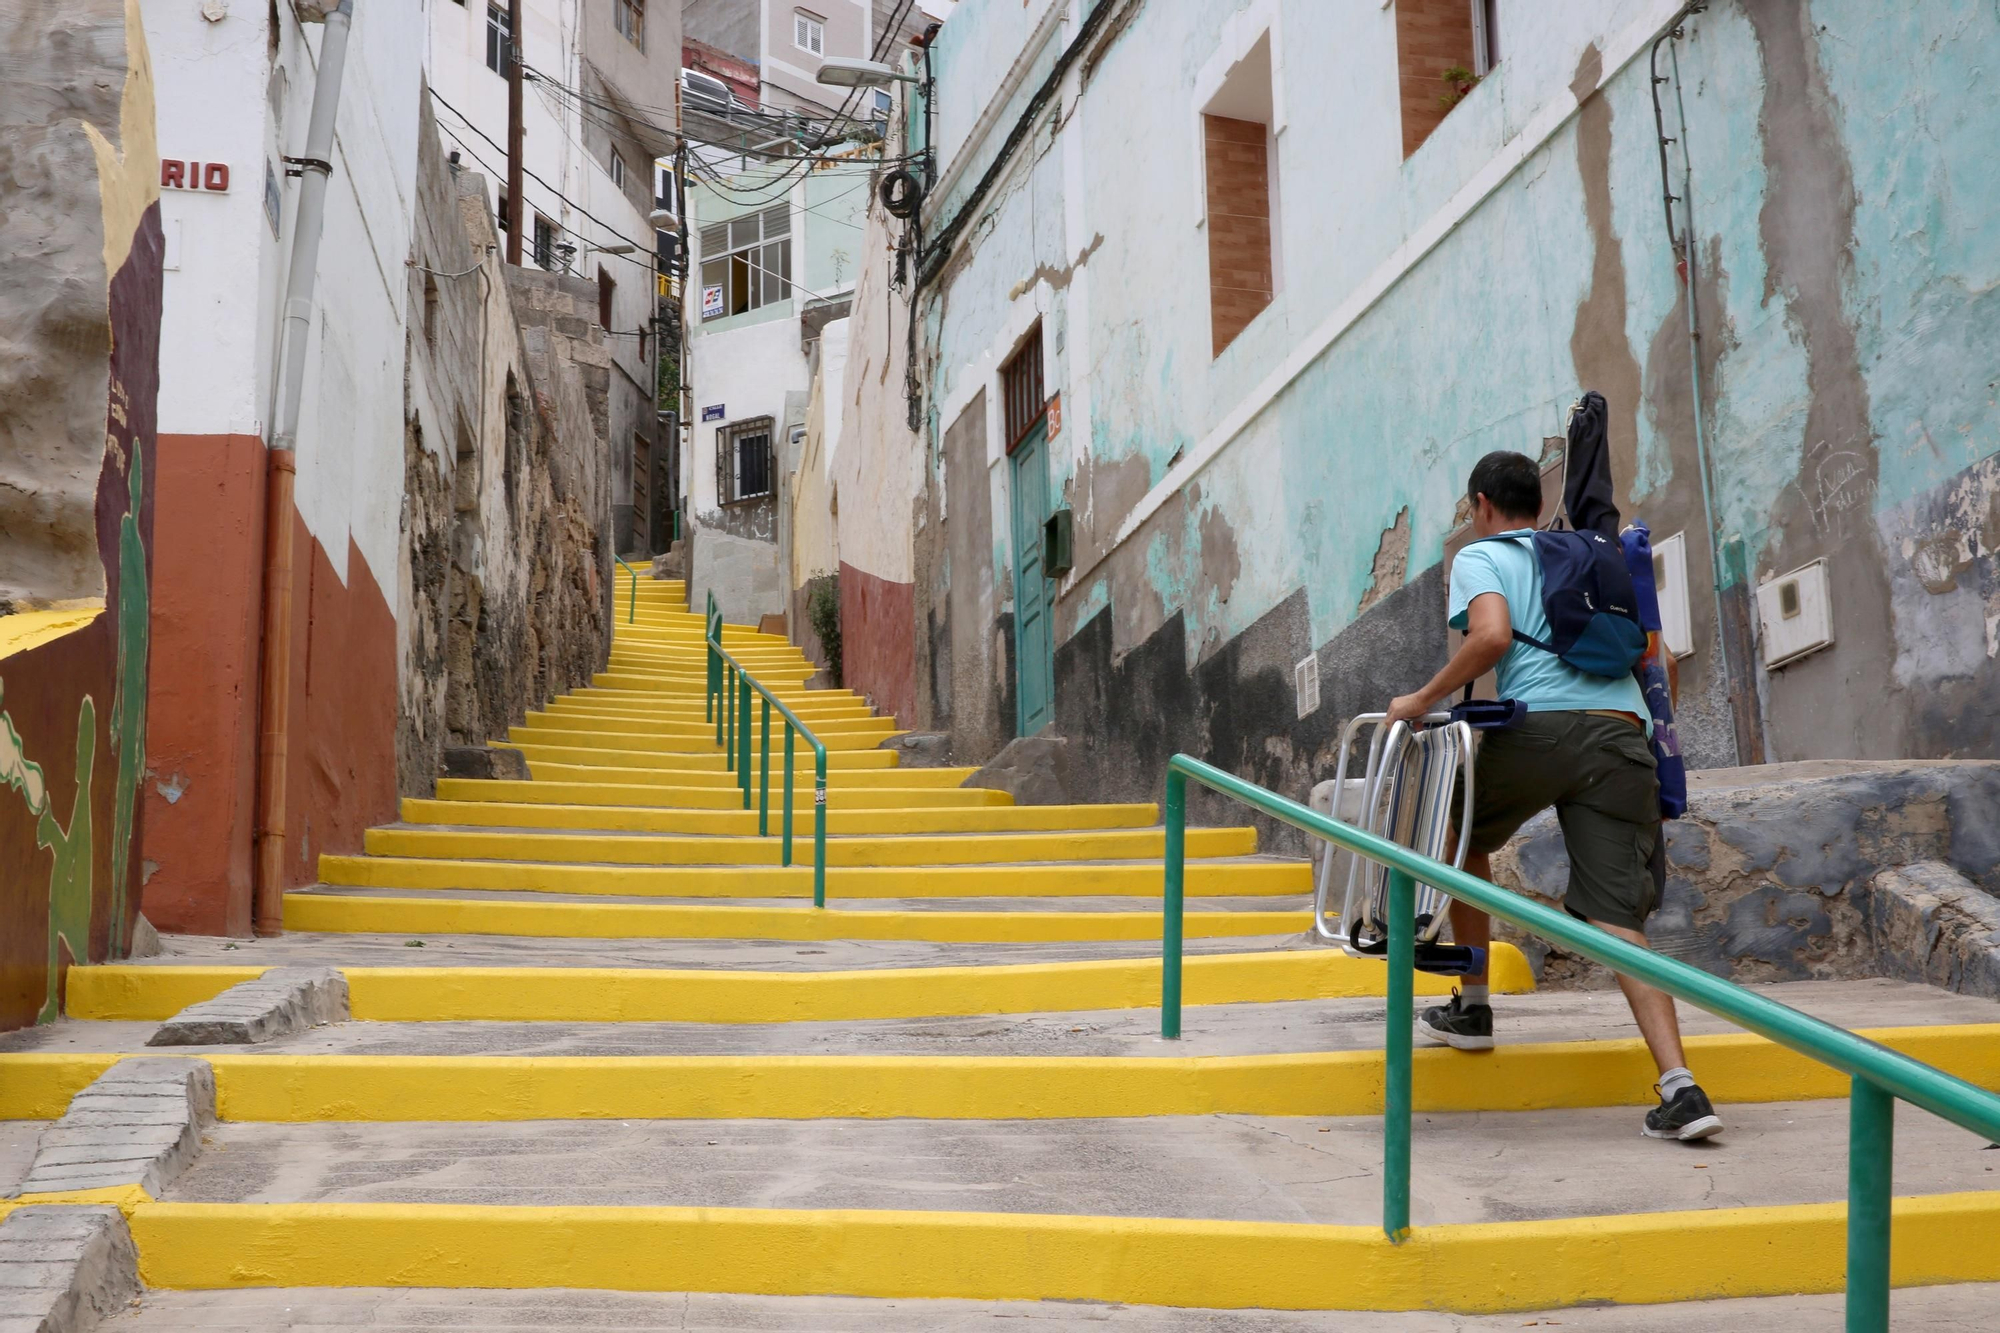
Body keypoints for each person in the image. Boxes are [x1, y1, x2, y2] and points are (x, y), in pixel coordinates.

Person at [1384, 450, 1723, 1143]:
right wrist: (1648, 740)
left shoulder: (1483, 558)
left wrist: (1420, 699)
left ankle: (1473, 1005)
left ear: (1481, 504)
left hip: (1538, 728)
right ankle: (1681, 1087)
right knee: (1620, 920)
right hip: (1623, 739)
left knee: (1452, 833)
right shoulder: (1592, 555)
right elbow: (1663, 658)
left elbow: (1492, 636)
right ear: (1535, 504)